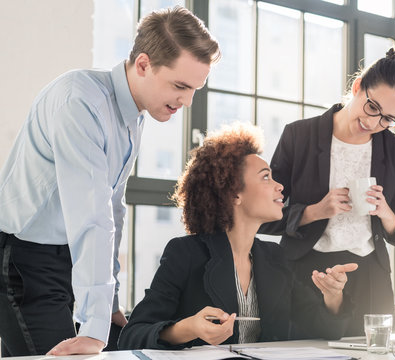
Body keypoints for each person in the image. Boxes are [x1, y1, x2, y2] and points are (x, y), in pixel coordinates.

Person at [0, 6, 220, 357]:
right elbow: (91, 214)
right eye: (180, 85)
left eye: (195, 89)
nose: (187, 101)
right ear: (144, 65)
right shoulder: (81, 101)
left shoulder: (135, 113)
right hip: (24, 258)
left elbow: (113, 207)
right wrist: (94, 324)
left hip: (65, 257)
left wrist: (110, 302)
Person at [117, 124, 358, 350]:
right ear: (234, 195)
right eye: (266, 177)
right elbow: (132, 335)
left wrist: (332, 295)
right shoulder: (185, 253)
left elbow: (326, 328)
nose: (279, 186)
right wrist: (189, 328)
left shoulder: (275, 257)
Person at [260, 48, 395, 336]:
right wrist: (314, 212)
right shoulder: (299, 136)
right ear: (357, 87)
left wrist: (385, 212)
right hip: (305, 272)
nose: (373, 123)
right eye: (372, 107)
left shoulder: (394, 149)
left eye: (388, 119)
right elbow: (264, 215)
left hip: (369, 275)